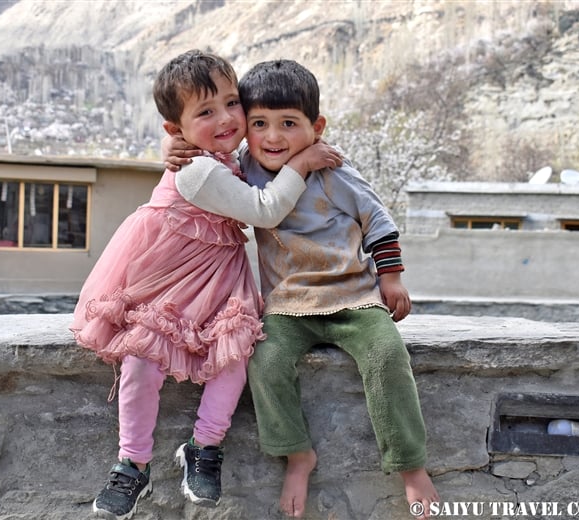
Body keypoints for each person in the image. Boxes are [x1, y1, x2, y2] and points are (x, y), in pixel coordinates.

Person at [70, 50, 341, 520]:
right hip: (169, 283)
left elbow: (247, 161)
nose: (226, 119)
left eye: (231, 103)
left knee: (232, 359)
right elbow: (262, 210)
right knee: (142, 362)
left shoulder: (217, 155)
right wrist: (303, 163)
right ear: (175, 130)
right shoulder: (197, 169)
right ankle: (132, 462)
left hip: (216, 283)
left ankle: (203, 446)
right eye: (206, 112)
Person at [164, 59, 439, 518]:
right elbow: (204, 157)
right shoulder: (245, 170)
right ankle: (297, 454)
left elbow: (379, 222)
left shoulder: (332, 170)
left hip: (354, 299)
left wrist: (390, 278)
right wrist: (174, 147)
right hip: (288, 306)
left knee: (387, 356)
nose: (274, 137)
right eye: (260, 124)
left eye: (289, 124)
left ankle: (410, 465)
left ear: (317, 126)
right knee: (265, 361)